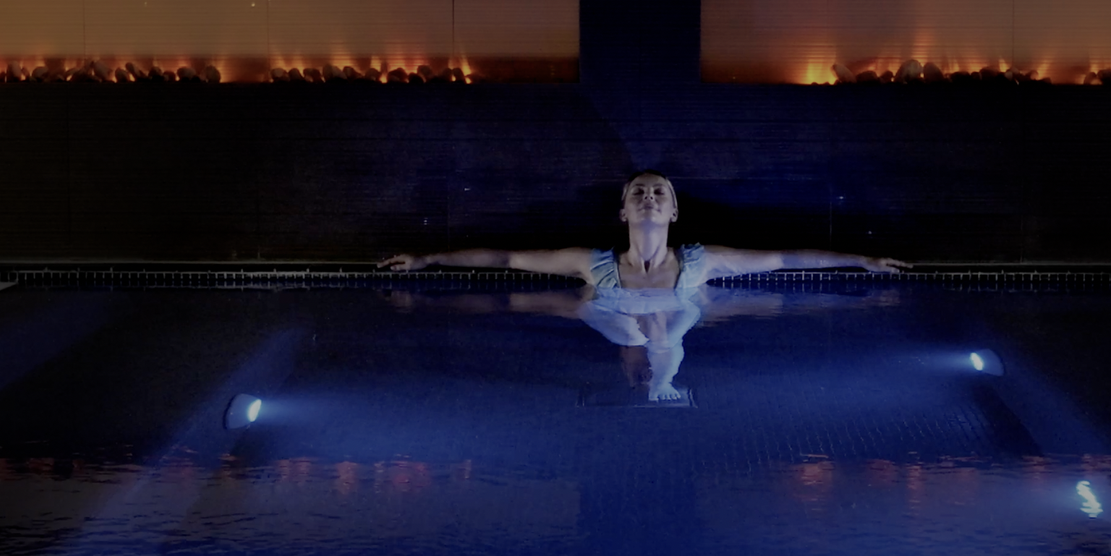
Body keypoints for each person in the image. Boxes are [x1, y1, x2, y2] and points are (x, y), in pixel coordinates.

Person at [379, 172, 910, 400]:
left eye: (660, 192)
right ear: (624, 209)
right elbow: (507, 258)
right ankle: (651, 362)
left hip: (674, 311)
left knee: (670, 322)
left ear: (674, 210)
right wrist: (426, 260)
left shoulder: (703, 261)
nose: (649, 197)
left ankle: (651, 361)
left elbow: (784, 259)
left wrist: (862, 261)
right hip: (615, 310)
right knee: (602, 314)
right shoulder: (593, 264)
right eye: (639, 192)